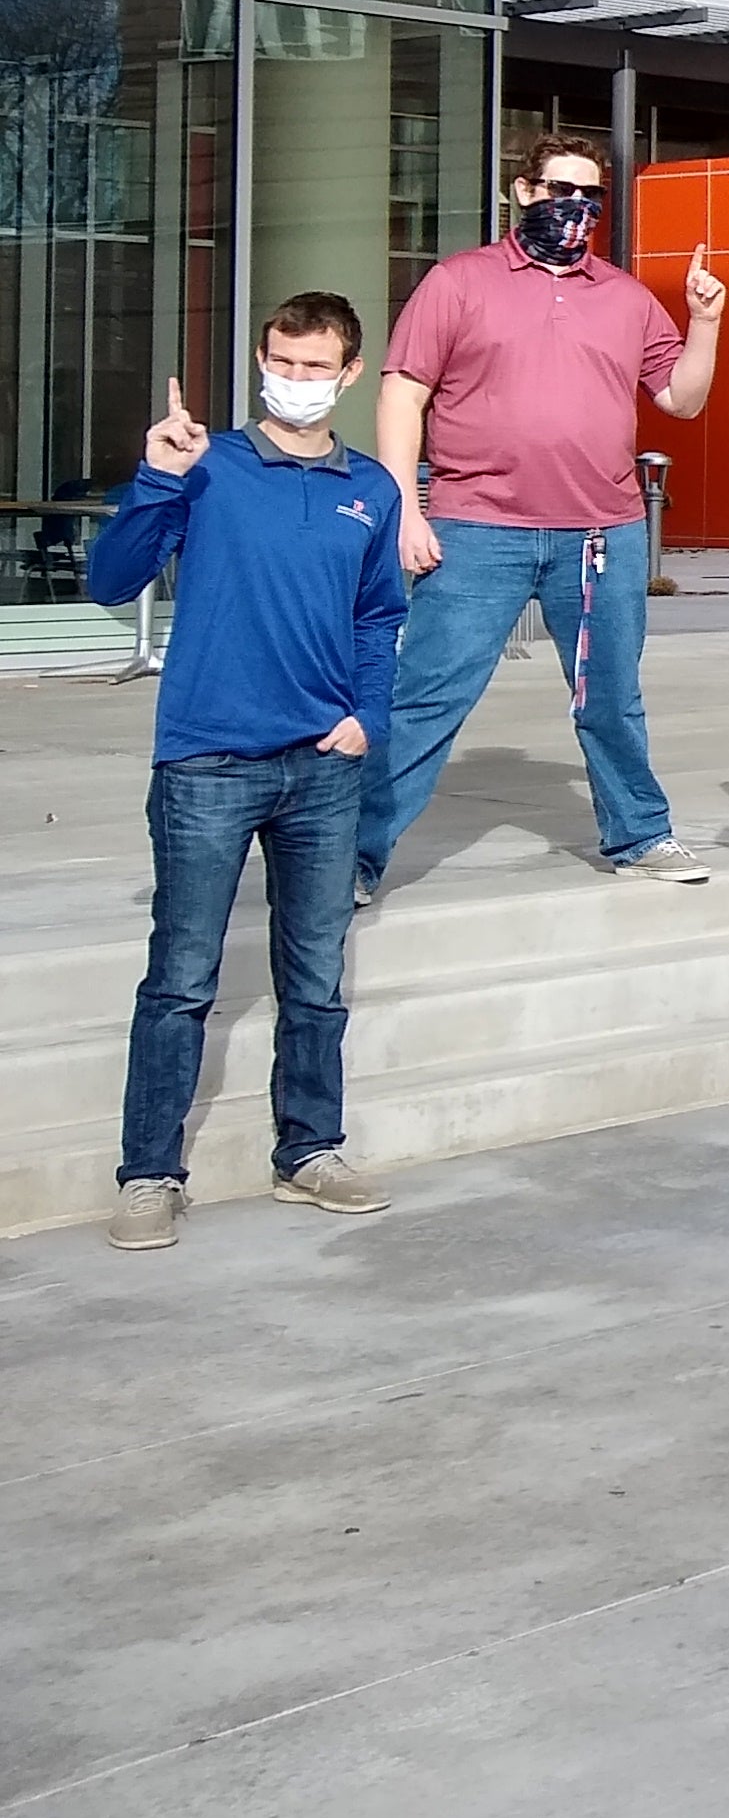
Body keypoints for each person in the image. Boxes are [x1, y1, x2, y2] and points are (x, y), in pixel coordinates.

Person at [91, 301, 409, 1248]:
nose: (295, 377)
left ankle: (310, 1150)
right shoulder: (209, 467)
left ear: (349, 374)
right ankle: (150, 1173)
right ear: (259, 361)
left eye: (315, 365)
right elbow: (111, 582)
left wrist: (368, 718)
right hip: (207, 762)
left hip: (323, 765)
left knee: (315, 976)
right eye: (280, 360)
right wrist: (158, 477)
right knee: (182, 977)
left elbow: (378, 615)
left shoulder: (372, 490)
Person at [357, 131, 727, 899]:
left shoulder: (625, 298)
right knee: (427, 696)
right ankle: (350, 855)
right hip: (476, 528)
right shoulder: (458, 282)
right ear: (523, 192)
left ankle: (640, 834)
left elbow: (682, 401)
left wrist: (705, 321)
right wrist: (403, 510)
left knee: (611, 697)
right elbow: (403, 392)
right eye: (560, 191)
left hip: (602, 534)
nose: (575, 209)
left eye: (589, 197)